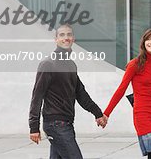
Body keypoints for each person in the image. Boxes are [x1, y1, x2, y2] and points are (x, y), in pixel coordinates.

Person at [29, 24, 108, 159]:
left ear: (73, 39)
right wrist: (34, 127)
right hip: (56, 124)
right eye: (62, 35)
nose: (66, 38)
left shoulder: (71, 65)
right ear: (56, 39)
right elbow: (37, 96)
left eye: (69, 35)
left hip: (66, 123)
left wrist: (98, 113)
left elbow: (81, 94)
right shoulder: (48, 64)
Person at [103, 28, 151, 159]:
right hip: (143, 114)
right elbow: (121, 89)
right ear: (143, 42)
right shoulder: (134, 64)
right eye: (149, 39)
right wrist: (106, 113)